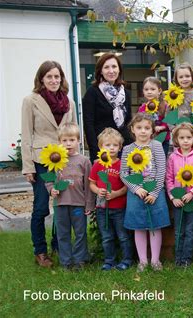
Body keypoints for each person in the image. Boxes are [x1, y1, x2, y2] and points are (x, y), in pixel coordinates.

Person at [21, 60, 78, 268]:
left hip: (64, 160)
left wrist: (76, 160)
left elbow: (73, 132)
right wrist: (28, 167)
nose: (54, 80)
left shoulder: (69, 103)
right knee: (41, 207)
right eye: (49, 77)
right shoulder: (31, 100)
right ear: (41, 79)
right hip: (41, 162)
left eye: (57, 76)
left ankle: (58, 245)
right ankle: (41, 251)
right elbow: (27, 135)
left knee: (63, 204)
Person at [120, 113, 170, 272]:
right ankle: (142, 261)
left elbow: (162, 169)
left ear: (152, 130)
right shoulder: (128, 149)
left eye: (147, 128)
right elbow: (124, 173)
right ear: (132, 129)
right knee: (138, 226)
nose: (143, 131)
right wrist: (136, 188)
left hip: (155, 193)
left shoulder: (156, 146)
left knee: (155, 226)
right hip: (136, 194)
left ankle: (155, 260)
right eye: (139, 128)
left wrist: (155, 192)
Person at [46, 123, 94, 270]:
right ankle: (66, 261)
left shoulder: (84, 161)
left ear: (78, 140)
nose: (68, 144)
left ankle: (80, 259)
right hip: (60, 204)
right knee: (63, 233)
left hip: (78, 204)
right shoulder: (55, 160)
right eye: (64, 140)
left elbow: (88, 185)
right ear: (59, 142)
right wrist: (51, 189)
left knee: (80, 233)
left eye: (72, 140)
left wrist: (89, 204)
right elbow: (48, 180)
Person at [88, 128, 132, 271]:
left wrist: (115, 194)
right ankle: (109, 261)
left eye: (115, 145)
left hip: (119, 207)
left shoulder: (122, 164)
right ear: (101, 147)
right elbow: (92, 183)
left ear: (120, 147)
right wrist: (97, 191)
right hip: (102, 208)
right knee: (107, 237)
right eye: (108, 145)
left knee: (123, 236)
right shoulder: (98, 164)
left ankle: (126, 260)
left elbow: (127, 186)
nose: (111, 148)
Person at [166, 123, 193, 267]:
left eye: (189, 137)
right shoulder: (172, 157)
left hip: (192, 200)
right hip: (177, 201)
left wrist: (192, 193)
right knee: (179, 230)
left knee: (190, 230)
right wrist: (172, 197)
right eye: (182, 137)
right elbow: (169, 178)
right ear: (176, 139)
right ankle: (178, 259)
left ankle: (187, 259)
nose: (185, 140)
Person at [83, 53, 132, 162]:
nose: (111, 71)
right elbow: (88, 124)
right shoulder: (92, 92)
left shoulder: (125, 93)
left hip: (123, 148)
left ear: (119, 69)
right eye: (106, 67)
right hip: (102, 149)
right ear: (100, 71)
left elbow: (128, 122)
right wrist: (95, 152)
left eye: (114, 66)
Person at [138, 77, 170, 155]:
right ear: (143, 91)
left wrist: (162, 126)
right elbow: (139, 121)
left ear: (159, 91)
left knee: (161, 160)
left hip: (163, 139)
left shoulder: (165, 105)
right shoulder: (143, 108)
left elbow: (169, 119)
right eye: (146, 89)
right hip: (147, 139)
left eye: (152, 89)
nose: (149, 92)